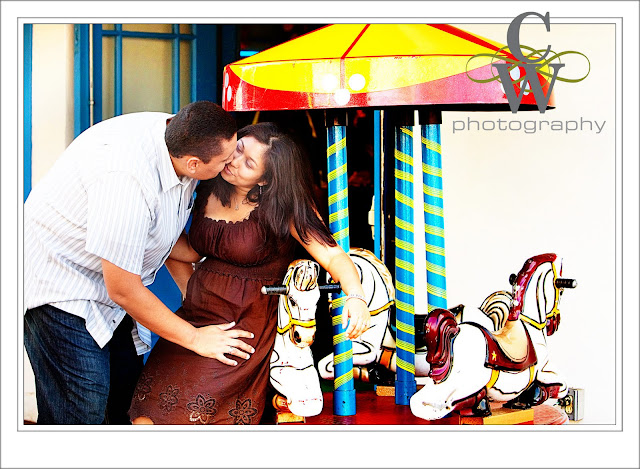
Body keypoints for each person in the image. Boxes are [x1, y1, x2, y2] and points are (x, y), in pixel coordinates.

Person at [23, 101, 257, 425]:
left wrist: (201, 305)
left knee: (126, 402)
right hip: (62, 283)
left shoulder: (179, 137)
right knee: (82, 412)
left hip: (107, 286)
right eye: (224, 161)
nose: (230, 164)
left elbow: (163, 236)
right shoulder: (127, 179)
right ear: (193, 163)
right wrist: (195, 337)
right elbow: (123, 289)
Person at [128, 122, 371, 425]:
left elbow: (332, 254)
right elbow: (186, 250)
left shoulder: (282, 205)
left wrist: (356, 296)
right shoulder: (206, 185)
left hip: (242, 326)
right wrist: (139, 231)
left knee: (187, 423)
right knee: (145, 419)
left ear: (266, 178)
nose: (234, 161)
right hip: (194, 320)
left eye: (249, 163)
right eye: (239, 149)